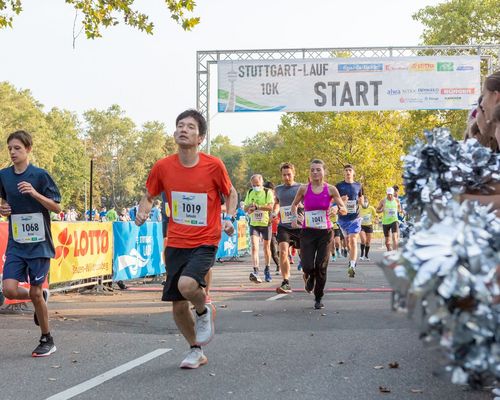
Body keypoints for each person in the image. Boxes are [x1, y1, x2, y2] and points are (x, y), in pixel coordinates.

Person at [135, 109, 237, 369]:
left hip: (205, 240)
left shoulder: (214, 165)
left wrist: (230, 217)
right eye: (180, 125)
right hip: (176, 242)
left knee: (188, 285)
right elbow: (149, 195)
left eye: (190, 127)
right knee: (178, 306)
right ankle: (195, 350)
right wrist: (144, 207)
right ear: (174, 133)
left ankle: (204, 309)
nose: (183, 129)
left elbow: (231, 193)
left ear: (200, 137)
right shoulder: (163, 166)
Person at [0, 130, 61, 357]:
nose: (13, 152)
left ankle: (47, 339)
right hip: (17, 243)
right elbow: (4, 201)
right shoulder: (4, 176)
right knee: (9, 289)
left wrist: (35, 194)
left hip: (39, 244)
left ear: (28, 149)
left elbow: (57, 207)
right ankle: (41, 298)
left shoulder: (40, 176)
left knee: (35, 291)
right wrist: (3, 208)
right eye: (10, 149)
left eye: (17, 148)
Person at [291, 159, 347, 309]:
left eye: (318, 169)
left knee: (321, 265)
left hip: (325, 232)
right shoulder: (303, 189)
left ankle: (318, 297)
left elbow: (343, 208)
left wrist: (336, 209)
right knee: (308, 265)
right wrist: (294, 217)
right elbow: (294, 205)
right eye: (312, 170)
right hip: (308, 232)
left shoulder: (331, 189)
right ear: (310, 172)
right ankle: (309, 275)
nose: (315, 172)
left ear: (324, 172)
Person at [273, 162, 303, 293]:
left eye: (289, 174)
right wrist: (274, 212)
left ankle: (308, 275)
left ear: (294, 173)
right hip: (284, 226)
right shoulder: (278, 189)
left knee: (305, 256)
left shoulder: (301, 187)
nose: (286, 177)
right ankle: (286, 282)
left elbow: (309, 203)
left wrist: (303, 208)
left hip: (300, 226)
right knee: (283, 252)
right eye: (284, 175)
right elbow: (277, 203)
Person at [244, 174, 274, 283]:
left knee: (266, 248)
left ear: (261, 183)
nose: (255, 187)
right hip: (254, 223)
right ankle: (256, 271)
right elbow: (245, 208)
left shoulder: (267, 192)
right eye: (253, 185)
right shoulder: (250, 192)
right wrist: (250, 208)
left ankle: (267, 269)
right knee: (254, 247)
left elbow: (271, 206)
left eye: (257, 184)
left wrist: (258, 207)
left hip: (266, 224)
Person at [336, 164, 364, 278]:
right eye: (346, 170)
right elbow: (332, 199)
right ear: (344, 173)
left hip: (355, 218)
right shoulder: (339, 186)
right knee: (348, 243)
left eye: (350, 170)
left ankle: (352, 265)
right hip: (343, 219)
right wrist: (340, 200)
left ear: (353, 173)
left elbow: (362, 198)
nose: (348, 172)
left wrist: (363, 203)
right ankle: (351, 260)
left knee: (353, 240)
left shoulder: (359, 185)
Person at [264, 181, 280, 274]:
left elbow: (277, 208)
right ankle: (278, 265)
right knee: (273, 250)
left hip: (280, 227)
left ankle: (284, 263)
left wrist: (274, 214)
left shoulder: (277, 199)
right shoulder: (264, 199)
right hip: (269, 227)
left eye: (269, 190)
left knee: (282, 249)